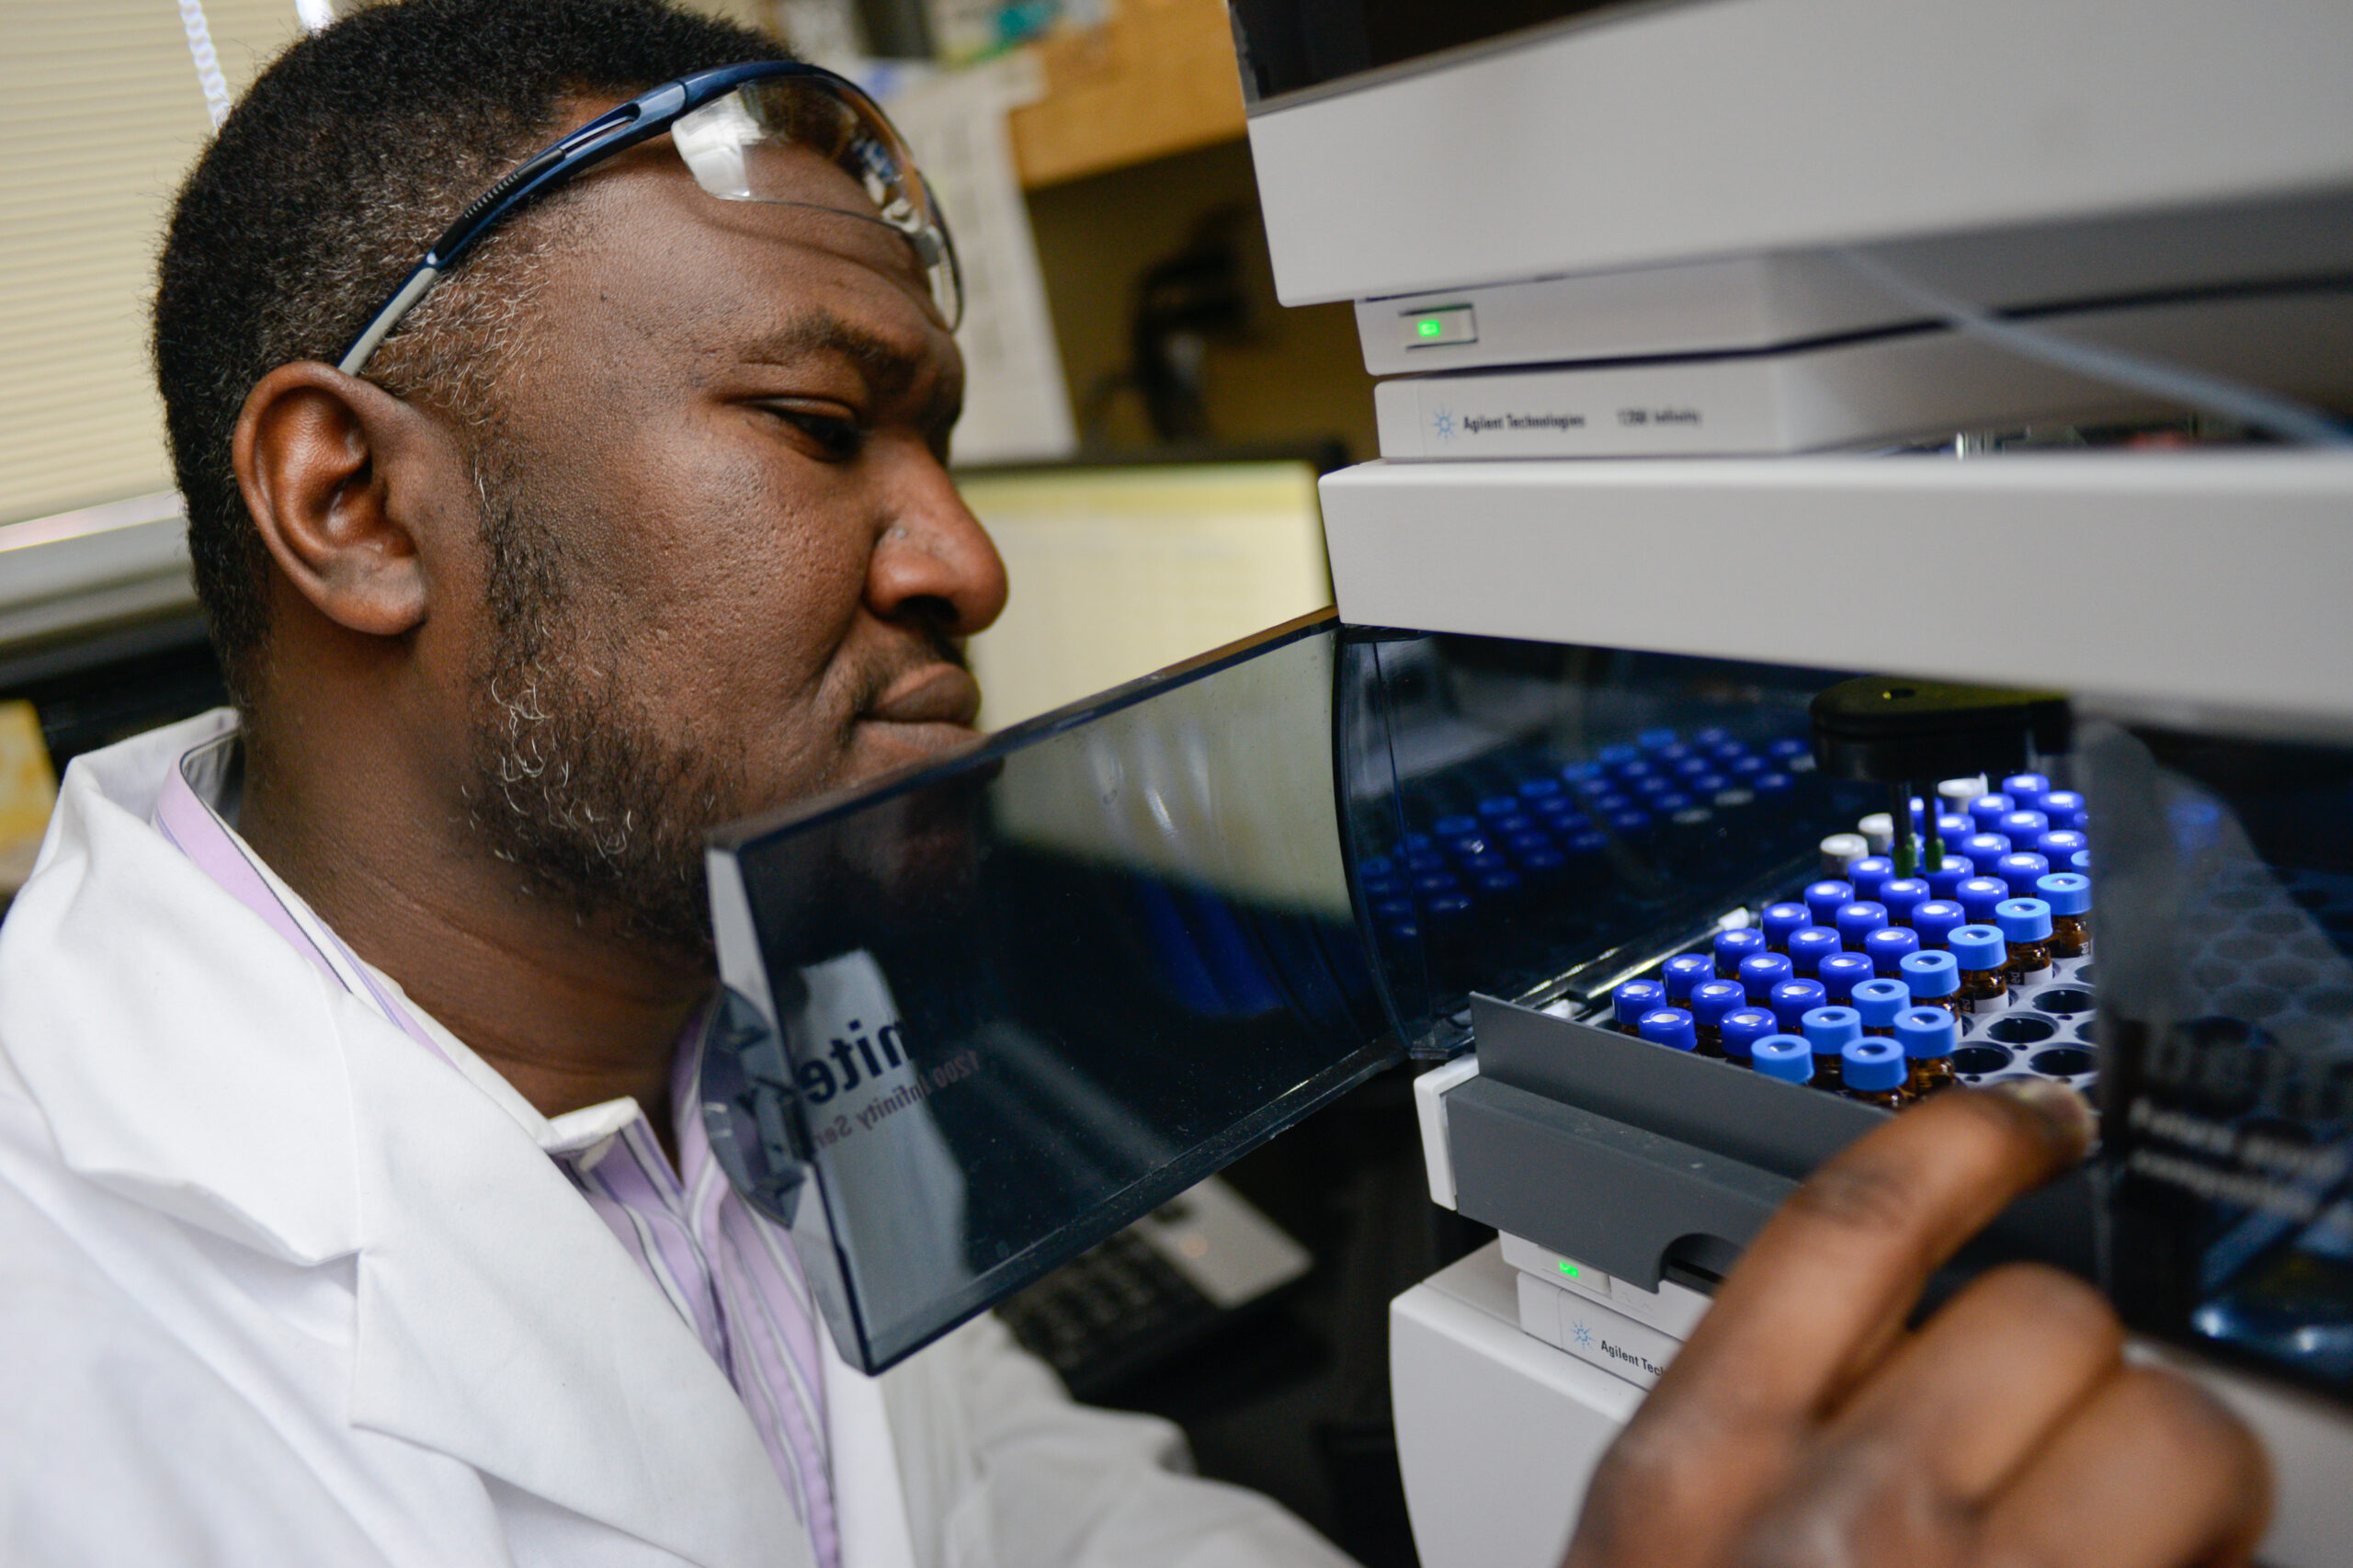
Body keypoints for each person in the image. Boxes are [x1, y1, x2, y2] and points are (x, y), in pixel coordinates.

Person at [0, 2, 2266, 1564]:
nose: (961, 558)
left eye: (944, 447)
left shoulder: (706, 1035)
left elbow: (1014, 1497)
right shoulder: (62, 1360)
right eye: (817, 424)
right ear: (353, 506)